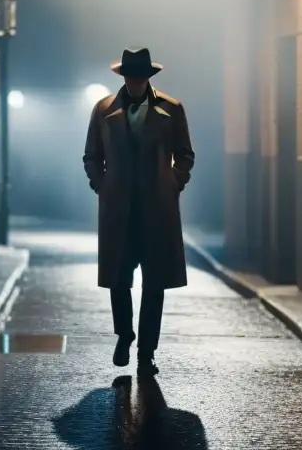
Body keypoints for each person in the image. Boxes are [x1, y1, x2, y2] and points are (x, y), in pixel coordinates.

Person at [82, 47, 195, 378]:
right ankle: (124, 335)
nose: (134, 83)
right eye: (130, 78)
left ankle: (147, 352)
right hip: (118, 208)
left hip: (157, 209)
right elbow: (91, 155)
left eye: (139, 78)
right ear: (124, 78)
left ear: (148, 78)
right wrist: (102, 185)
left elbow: (185, 154)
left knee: (155, 282)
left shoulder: (172, 109)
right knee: (119, 278)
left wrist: (174, 182)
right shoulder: (103, 110)